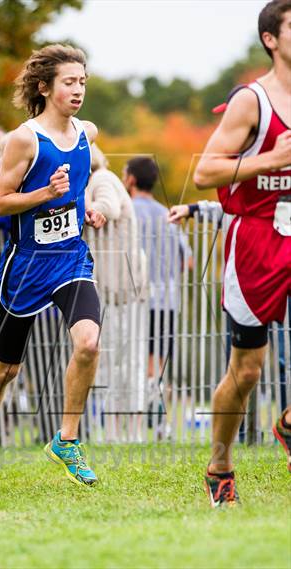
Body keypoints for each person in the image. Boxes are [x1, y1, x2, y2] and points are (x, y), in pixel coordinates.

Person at [0, 44, 106, 495]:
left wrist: (85, 207)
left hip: (69, 257)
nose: (78, 89)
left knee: (88, 342)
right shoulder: (23, 140)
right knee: (6, 368)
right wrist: (45, 194)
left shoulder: (87, 132)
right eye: (69, 81)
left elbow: (80, 182)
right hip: (26, 265)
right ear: (45, 87)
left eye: (82, 81)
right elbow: (1, 201)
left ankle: (67, 440)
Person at [192, 0, 291, 507]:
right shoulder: (252, 102)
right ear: (271, 39)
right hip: (256, 235)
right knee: (248, 370)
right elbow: (204, 173)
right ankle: (221, 463)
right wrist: (272, 159)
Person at [123, 156, 192, 427]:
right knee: (158, 362)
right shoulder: (168, 214)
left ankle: (138, 423)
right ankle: (160, 418)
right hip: (167, 300)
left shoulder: (126, 211)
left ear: (130, 179)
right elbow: (187, 260)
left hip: (136, 299)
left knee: (135, 361)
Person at [85, 144, 147, 441]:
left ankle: (126, 432)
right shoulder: (95, 180)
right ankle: (115, 431)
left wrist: (95, 210)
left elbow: (109, 205)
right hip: (116, 288)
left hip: (120, 289)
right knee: (115, 360)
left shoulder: (102, 180)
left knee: (124, 360)